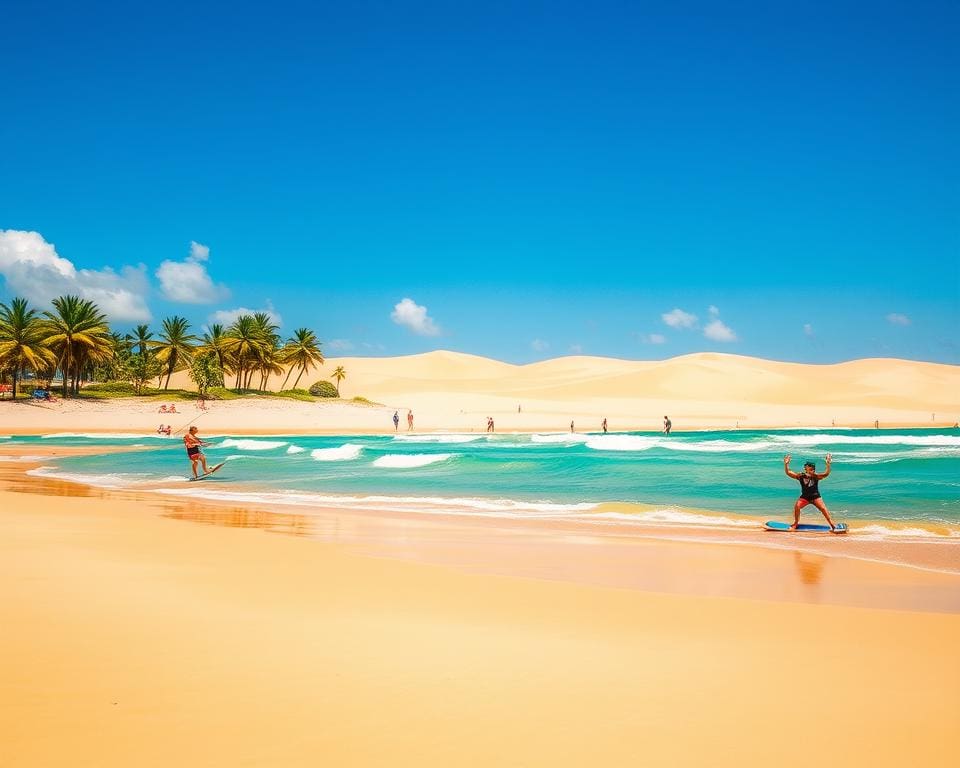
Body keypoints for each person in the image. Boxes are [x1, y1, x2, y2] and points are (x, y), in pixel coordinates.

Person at [783, 454, 837, 531]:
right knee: (797, 506)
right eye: (807, 468)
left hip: (816, 497)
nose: (810, 471)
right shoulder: (801, 476)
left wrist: (828, 464)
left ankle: (832, 525)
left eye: (811, 469)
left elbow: (826, 474)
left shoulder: (816, 476)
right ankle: (795, 523)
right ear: (806, 469)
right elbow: (788, 473)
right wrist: (786, 464)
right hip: (805, 497)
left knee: (823, 509)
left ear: (813, 469)